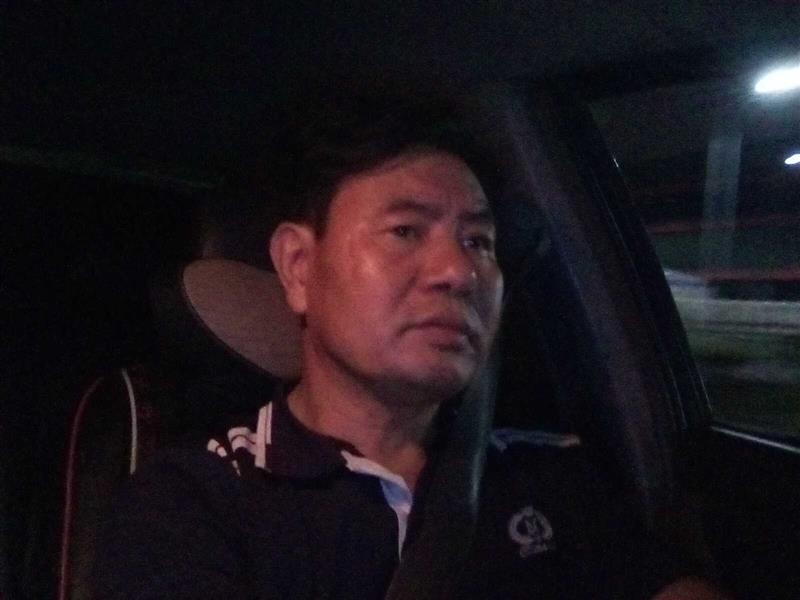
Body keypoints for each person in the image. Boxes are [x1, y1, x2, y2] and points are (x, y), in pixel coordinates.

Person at [94, 92, 726, 599]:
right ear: (299, 268)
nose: (459, 271)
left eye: (478, 241)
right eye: (405, 231)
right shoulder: (193, 499)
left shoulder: (548, 473)